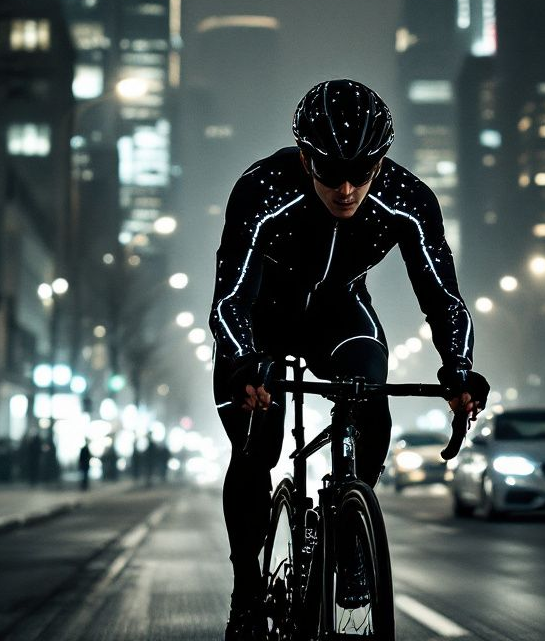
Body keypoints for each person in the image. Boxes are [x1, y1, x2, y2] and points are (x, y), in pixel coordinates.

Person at [210, 79, 490, 639]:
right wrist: (244, 362)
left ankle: (351, 525)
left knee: (369, 396)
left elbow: (443, 298)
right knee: (256, 445)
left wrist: (458, 370)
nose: (345, 189)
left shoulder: (408, 200)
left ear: (381, 161)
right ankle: (247, 587)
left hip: (340, 316)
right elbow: (230, 299)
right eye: (330, 172)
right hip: (261, 319)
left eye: (362, 173)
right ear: (305, 156)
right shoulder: (262, 190)